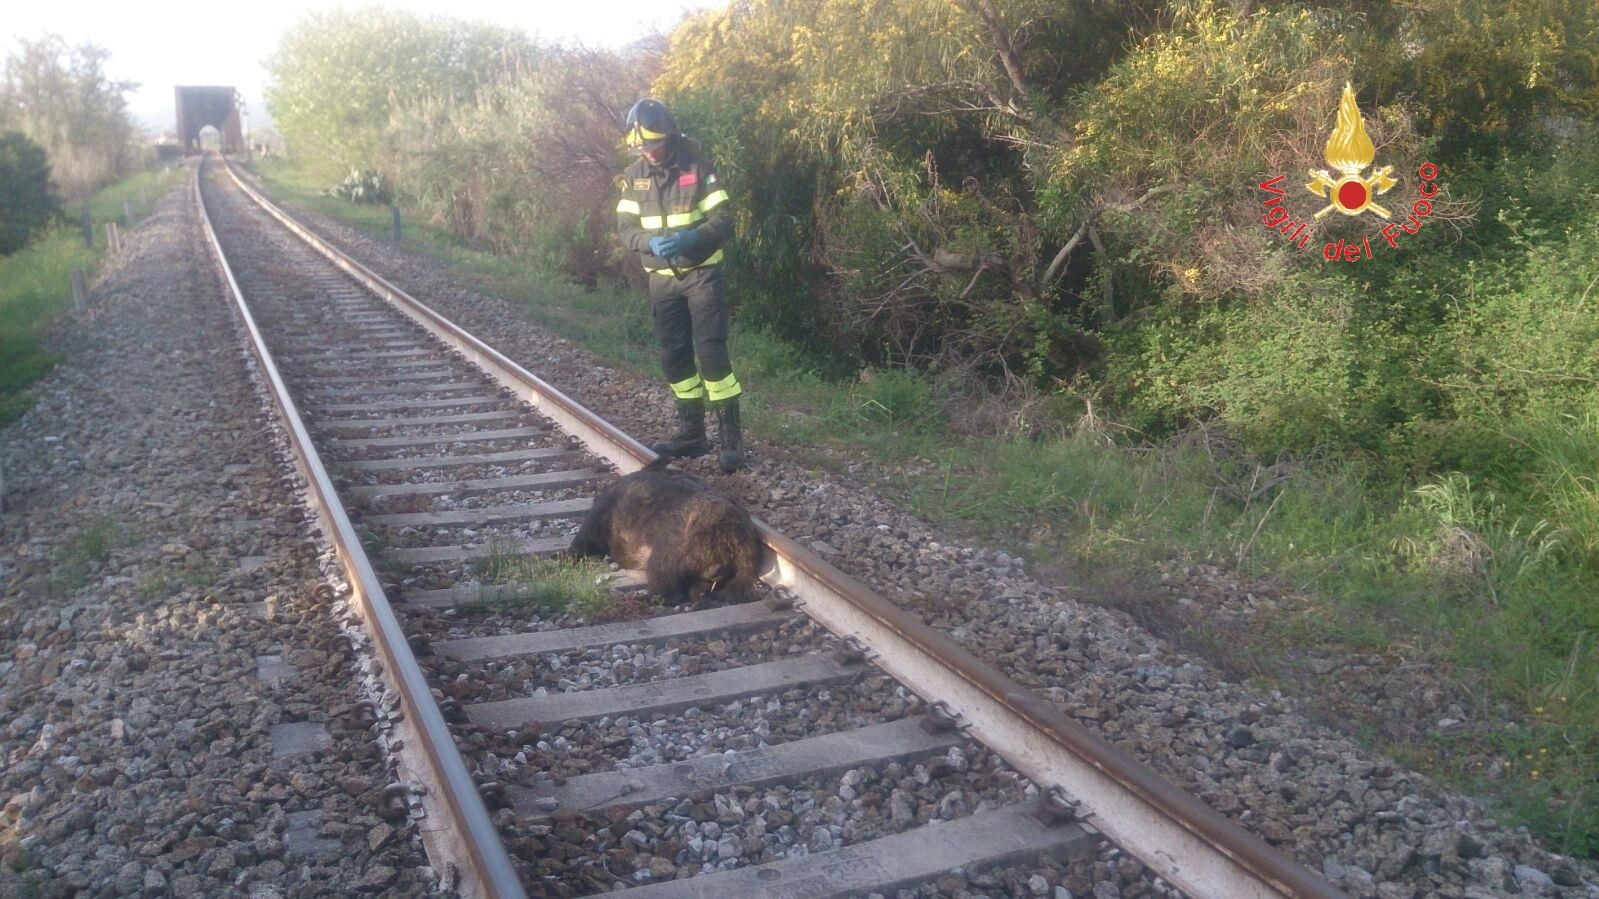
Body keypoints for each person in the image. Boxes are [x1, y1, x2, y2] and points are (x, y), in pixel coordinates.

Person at [615, 98, 744, 473]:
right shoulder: (633, 176)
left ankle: (731, 439)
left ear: (668, 136)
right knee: (674, 357)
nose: (648, 151)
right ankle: (692, 434)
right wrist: (647, 242)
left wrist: (690, 239)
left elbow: (724, 220)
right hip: (661, 282)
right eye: (640, 145)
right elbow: (626, 228)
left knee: (712, 355)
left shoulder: (699, 169)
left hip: (702, 276)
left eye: (652, 143)